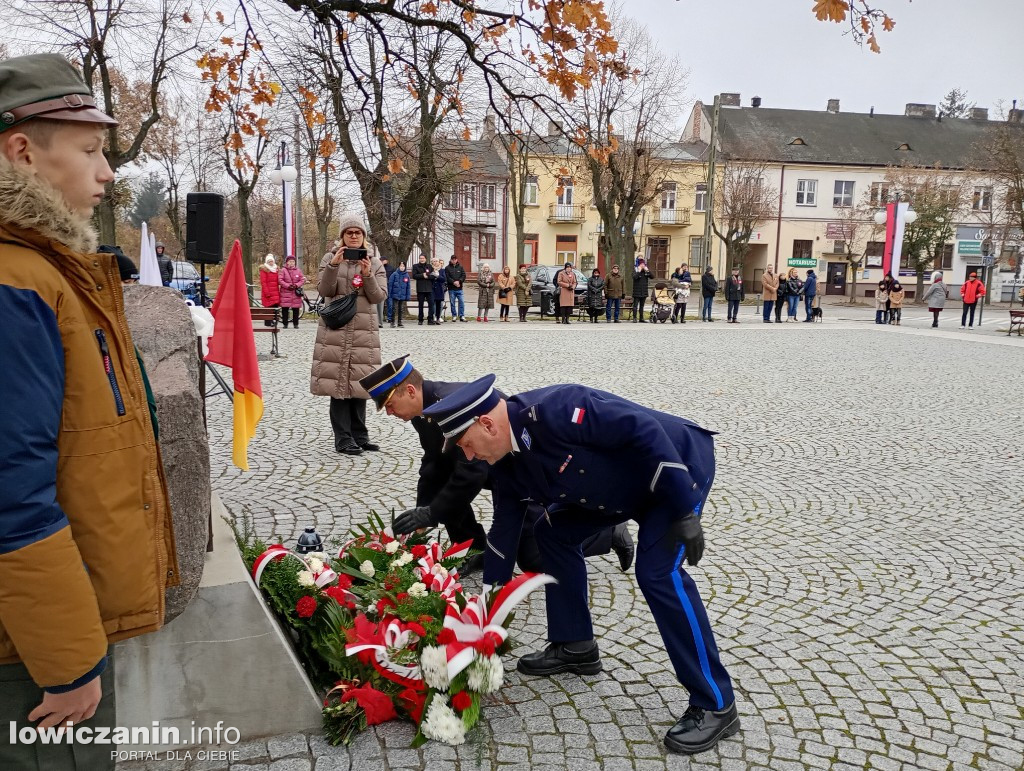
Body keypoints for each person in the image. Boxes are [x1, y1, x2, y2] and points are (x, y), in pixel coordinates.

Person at [0, 53, 177, 771]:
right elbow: (12, 486)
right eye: (90, 149)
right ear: (22, 152)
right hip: (32, 650)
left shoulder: (44, 269)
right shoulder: (16, 283)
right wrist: (69, 660)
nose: (107, 173)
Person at [422, 375, 739, 756]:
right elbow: (504, 537)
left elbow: (642, 429)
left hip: (674, 469)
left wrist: (684, 508)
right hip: (617, 491)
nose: (469, 457)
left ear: (486, 424)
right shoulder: (505, 465)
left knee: (658, 573)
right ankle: (575, 644)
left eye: (466, 445)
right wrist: (487, 615)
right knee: (552, 532)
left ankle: (715, 703)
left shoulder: (556, 409)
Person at [359, 357, 634, 575]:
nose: (391, 413)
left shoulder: (448, 405)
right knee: (447, 489)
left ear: (409, 391)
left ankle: (607, 533)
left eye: (391, 405)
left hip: (521, 476)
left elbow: (470, 474)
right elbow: (435, 465)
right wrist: (421, 516)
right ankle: (475, 548)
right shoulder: (424, 413)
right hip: (493, 471)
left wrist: (432, 513)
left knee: (533, 557)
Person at [311, 213, 388, 455]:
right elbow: (325, 289)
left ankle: (360, 436)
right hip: (336, 329)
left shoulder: (374, 263)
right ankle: (343, 439)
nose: (353, 236)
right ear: (342, 236)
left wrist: (366, 275)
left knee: (360, 384)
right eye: (349, 232)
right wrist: (334, 265)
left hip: (364, 332)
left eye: (358, 232)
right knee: (338, 385)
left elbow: (378, 297)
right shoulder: (329, 258)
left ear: (364, 237)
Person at [278, 255, 305, 329]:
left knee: (296, 309)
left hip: (295, 293)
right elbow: (280, 280)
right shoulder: (283, 270)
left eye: (293, 261)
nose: (292, 263)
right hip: (285, 292)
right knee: (285, 309)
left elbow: (302, 279)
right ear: (287, 262)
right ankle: (285, 324)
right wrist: (288, 286)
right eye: (290, 261)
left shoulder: (298, 270)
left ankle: (295, 324)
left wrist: (296, 285)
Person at [412, 254, 437, 326]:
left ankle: (430, 319)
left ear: (425, 259)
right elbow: (414, 276)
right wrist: (422, 275)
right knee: (420, 305)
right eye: (420, 258)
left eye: (423, 258)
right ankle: (420, 319)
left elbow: (433, 276)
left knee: (431, 304)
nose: (422, 259)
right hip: (421, 289)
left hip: (429, 289)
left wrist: (427, 276)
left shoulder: (429, 266)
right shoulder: (415, 266)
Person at [387, 259, 411, 327]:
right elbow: (390, 284)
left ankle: (399, 322)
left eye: (403, 266)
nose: (402, 267)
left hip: (402, 294)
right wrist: (390, 294)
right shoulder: (394, 274)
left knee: (401, 309)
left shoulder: (406, 275)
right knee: (394, 308)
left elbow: (408, 286)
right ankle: (392, 322)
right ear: (398, 266)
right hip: (395, 294)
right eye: (401, 266)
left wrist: (407, 296)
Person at [259, 254, 281, 325]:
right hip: (268, 292)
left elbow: (278, 281)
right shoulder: (264, 270)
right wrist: (267, 293)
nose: (271, 263)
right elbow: (263, 282)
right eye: (269, 262)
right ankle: (268, 322)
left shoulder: (276, 269)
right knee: (268, 307)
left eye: (272, 261)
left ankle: (274, 321)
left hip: (275, 291)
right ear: (267, 262)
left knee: (275, 307)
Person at [446, 254, 467, 321]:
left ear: (457, 260)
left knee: (461, 302)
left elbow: (463, 275)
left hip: (459, 288)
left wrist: (459, 281)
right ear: (451, 260)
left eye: (455, 259)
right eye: (452, 259)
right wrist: (453, 282)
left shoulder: (460, 267)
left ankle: (461, 315)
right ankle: (454, 315)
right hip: (451, 288)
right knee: (452, 303)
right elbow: (447, 277)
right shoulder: (447, 268)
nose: (454, 261)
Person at [378, 255, 395, 326]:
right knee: (380, 304)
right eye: (381, 260)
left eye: (383, 260)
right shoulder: (378, 268)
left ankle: (389, 317)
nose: (382, 262)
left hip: (389, 287)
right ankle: (380, 319)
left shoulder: (391, 268)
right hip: (380, 287)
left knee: (389, 303)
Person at [431, 257, 447, 322]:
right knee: (433, 303)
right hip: (432, 288)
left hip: (440, 288)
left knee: (439, 303)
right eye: (434, 261)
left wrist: (437, 276)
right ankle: (433, 316)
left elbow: (444, 279)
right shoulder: (430, 269)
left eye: (436, 261)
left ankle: (438, 316)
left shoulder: (442, 270)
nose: (435, 262)